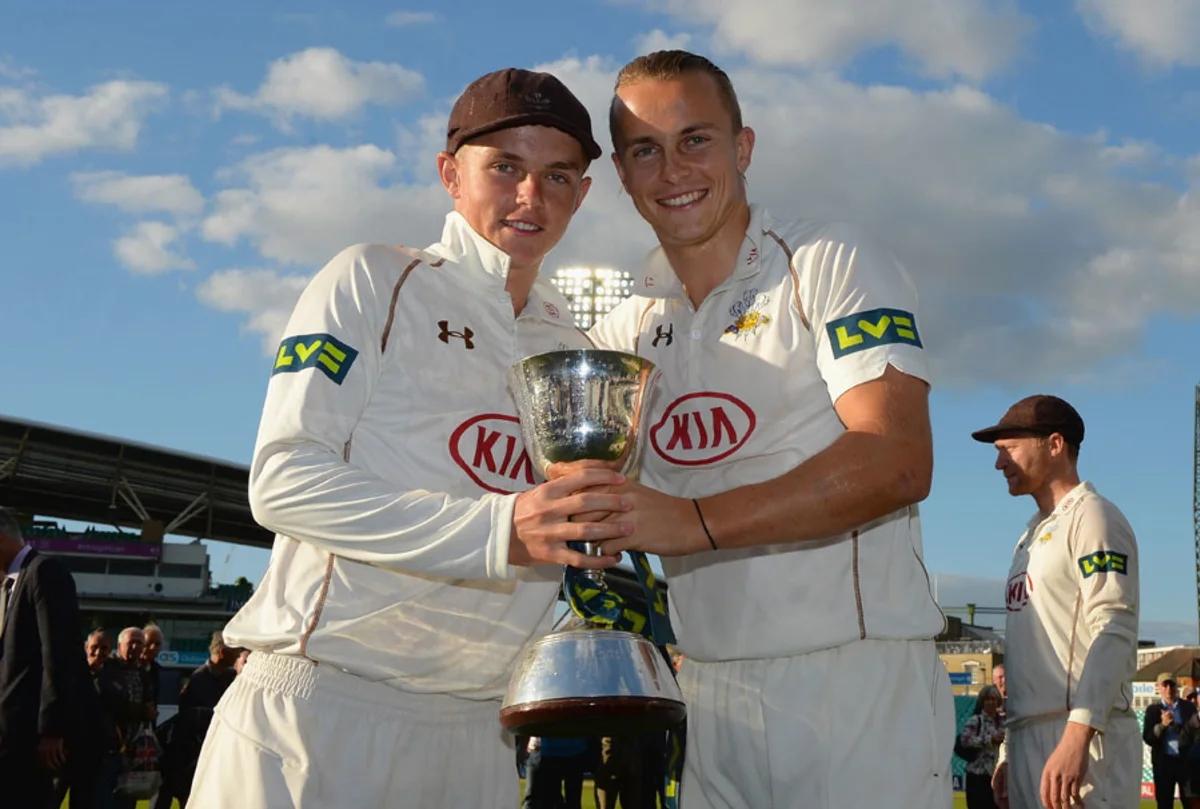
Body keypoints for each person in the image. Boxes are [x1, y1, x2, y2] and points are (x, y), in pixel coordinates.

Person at [187, 67, 633, 809]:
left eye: (558, 175)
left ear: (583, 194)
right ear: (449, 175)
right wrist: (500, 528)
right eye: (505, 168)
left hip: (477, 735)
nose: (533, 196)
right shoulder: (371, 279)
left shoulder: (575, 347)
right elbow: (283, 479)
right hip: (321, 713)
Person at [575, 49, 954, 809]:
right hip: (710, 689)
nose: (673, 169)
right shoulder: (623, 327)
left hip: (853, 682)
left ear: (742, 148)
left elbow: (898, 460)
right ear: (621, 174)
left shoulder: (828, 259)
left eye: (695, 139)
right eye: (645, 150)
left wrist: (693, 521)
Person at [972, 395, 1141, 809]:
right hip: (1031, 739)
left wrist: (1077, 734)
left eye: (1008, 448)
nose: (999, 463)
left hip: (1082, 740)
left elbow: (1115, 626)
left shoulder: (1094, 516)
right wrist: (1011, 749)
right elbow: (1026, 656)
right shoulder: (1029, 536)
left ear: (1054, 444)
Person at [0, 508, 93, 809]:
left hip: (32, 740)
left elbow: (59, 653)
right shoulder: (10, 585)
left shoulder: (43, 571)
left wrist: (52, 730)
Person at [1147, 673, 1194, 809]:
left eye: (1171, 684)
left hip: (1186, 764)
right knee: (1164, 804)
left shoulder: (1188, 708)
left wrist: (1178, 726)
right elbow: (1148, 738)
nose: (1168, 688)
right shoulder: (1153, 710)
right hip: (1163, 764)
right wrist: (1162, 725)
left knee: (1191, 803)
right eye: (1164, 685)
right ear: (1159, 688)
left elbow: (1195, 734)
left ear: (1176, 686)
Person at [959, 685, 1006, 809]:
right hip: (978, 778)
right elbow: (965, 740)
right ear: (982, 702)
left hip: (998, 776)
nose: (991, 702)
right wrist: (989, 739)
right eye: (987, 699)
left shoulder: (1004, 722)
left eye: (993, 699)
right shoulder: (976, 720)